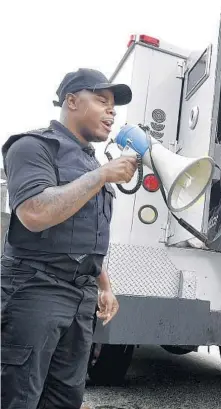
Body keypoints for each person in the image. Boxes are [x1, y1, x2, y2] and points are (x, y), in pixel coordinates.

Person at [1, 68, 137, 409]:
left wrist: (104, 285)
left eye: (114, 107)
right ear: (71, 101)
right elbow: (34, 214)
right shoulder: (33, 146)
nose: (112, 112)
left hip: (80, 296)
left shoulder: (89, 161)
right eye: (102, 101)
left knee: (64, 398)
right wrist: (102, 175)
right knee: (18, 395)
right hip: (35, 288)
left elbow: (83, 236)